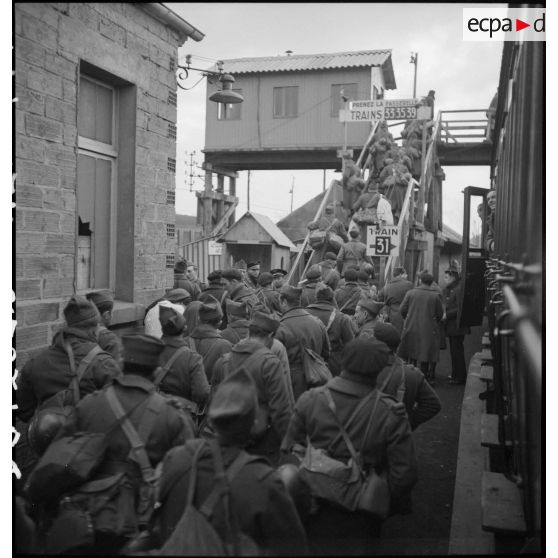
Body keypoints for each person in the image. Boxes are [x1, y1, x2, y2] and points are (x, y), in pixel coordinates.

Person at [59, 333, 194, 554]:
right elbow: (186, 476)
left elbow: (62, 457)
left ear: (121, 363)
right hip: (141, 524)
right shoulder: (172, 415)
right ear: (156, 371)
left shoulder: (89, 404)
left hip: (87, 520)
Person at [282, 338, 417, 556]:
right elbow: (404, 474)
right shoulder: (390, 412)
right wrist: (380, 497)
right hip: (361, 511)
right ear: (379, 368)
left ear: (344, 361)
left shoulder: (310, 399)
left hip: (313, 502)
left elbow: (290, 448)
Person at [155, 370, 308, 556]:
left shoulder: (176, 459)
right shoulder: (264, 483)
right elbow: (292, 549)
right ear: (254, 423)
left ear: (211, 419)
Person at [17, 295, 122, 424]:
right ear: (95, 329)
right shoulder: (105, 364)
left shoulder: (34, 364)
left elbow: (23, 410)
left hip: (48, 441)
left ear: (67, 326)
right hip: (91, 440)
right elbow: (120, 412)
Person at [212, 312, 293, 465]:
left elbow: (214, 399)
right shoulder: (270, 363)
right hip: (262, 441)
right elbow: (281, 410)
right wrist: (287, 442)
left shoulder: (224, 361)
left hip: (229, 440)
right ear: (270, 336)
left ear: (249, 332)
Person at [374, 323, 442, 429]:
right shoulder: (412, 373)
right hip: (399, 438)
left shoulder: (363, 369)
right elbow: (433, 404)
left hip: (365, 438)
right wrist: (409, 422)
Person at [274, 284, 330, 400]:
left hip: (292, 384)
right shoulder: (318, 323)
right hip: (318, 380)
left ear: (284, 302)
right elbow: (326, 353)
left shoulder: (281, 327)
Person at [158, 304, 210, 409]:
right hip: (180, 415)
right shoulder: (192, 358)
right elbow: (202, 394)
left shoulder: (150, 350)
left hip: (152, 412)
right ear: (184, 328)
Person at [398, 271, 444, 385]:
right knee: (426, 352)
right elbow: (440, 313)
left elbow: (402, 309)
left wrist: (407, 318)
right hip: (429, 328)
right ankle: (425, 378)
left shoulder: (411, 293)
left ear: (420, 281)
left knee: (412, 350)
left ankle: (411, 376)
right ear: (431, 282)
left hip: (412, 325)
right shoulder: (435, 296)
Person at [306, 284, 355, 376]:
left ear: (316, 297)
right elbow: (351, 345)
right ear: (332, 298)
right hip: (332, 366)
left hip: (308, 365)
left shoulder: (304, 313)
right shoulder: (341, 318)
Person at [184, 302, 232, 387]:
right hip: (214, 397)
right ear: (219, 323)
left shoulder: (184, 342)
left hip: (185, 398)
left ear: (199, 319)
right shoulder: (225, 345)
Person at [442, 267, 470, 385]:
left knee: (457, 351)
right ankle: (456, 374)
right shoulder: (452, 289)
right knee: (455, 351)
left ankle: (459, 377)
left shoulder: (457, 290)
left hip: (457, 326)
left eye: (446, 277)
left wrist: (446, 315)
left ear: (453, 277)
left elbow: (460, 309)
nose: (444, 279)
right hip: (454, 326)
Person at [86, 290, 124, 366]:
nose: (112, 316)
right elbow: (115, 372)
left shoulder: (79, 331)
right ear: (106, 315)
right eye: (112, 312)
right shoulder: (109, 339)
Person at [377, 267, 414, 334]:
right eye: (405, 274)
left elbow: (379, 299)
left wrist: (383, 312)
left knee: (394, 334)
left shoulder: (387, 286)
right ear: (400, 274)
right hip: (407, 314)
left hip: (392, 314)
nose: (407, 275)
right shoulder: (409, 285)